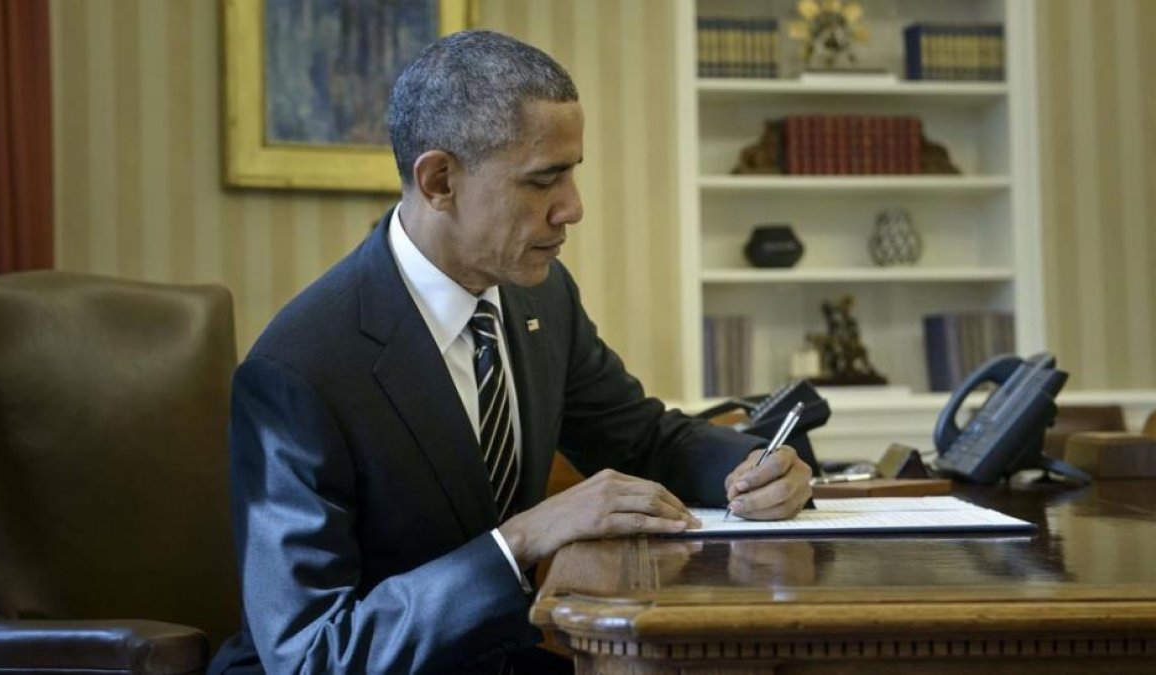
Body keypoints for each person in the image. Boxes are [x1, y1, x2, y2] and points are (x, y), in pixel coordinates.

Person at [209, 30, 812, 675]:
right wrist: (520, 540)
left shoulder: (541, 296)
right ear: (439, 180)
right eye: (543, 180)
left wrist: (757, 464)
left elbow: (642, 440)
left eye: (573, 173)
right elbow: (311, 655)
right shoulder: (298, 373)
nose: (573, 209)